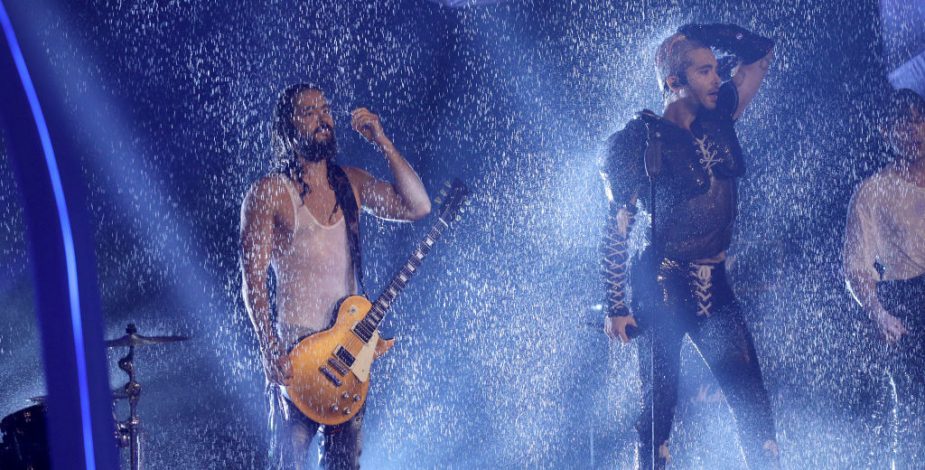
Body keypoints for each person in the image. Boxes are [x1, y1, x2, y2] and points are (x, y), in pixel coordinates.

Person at [599, 24, 779, 469]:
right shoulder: (639, 140)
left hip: (715, 282)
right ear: (674, 81)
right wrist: (616, 303)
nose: (717, 79)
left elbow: (760, 54)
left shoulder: (721, 115)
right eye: (705, 71)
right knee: (658, 413)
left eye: (716, 69)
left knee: (753, 406)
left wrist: (702, 31)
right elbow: (617, 226)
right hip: (663, 284)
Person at [240, 84, 431, 469]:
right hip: (296, 357)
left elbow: (418, 206)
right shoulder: (269, 193)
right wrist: (268, 345)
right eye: (309, 112)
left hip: (349, 355)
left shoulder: (351, 184)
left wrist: (383, 142)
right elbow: (253, 280)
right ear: (288, 127)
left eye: (325, 109)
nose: (322, 118)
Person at [844, 89, 925, 468]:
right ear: (885, 132)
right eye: (902, 123)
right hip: (906, 305)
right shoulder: (873, 191)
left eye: (919, 119)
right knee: (913, 414)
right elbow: (856, 268)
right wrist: (879, 314)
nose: (913, 130)